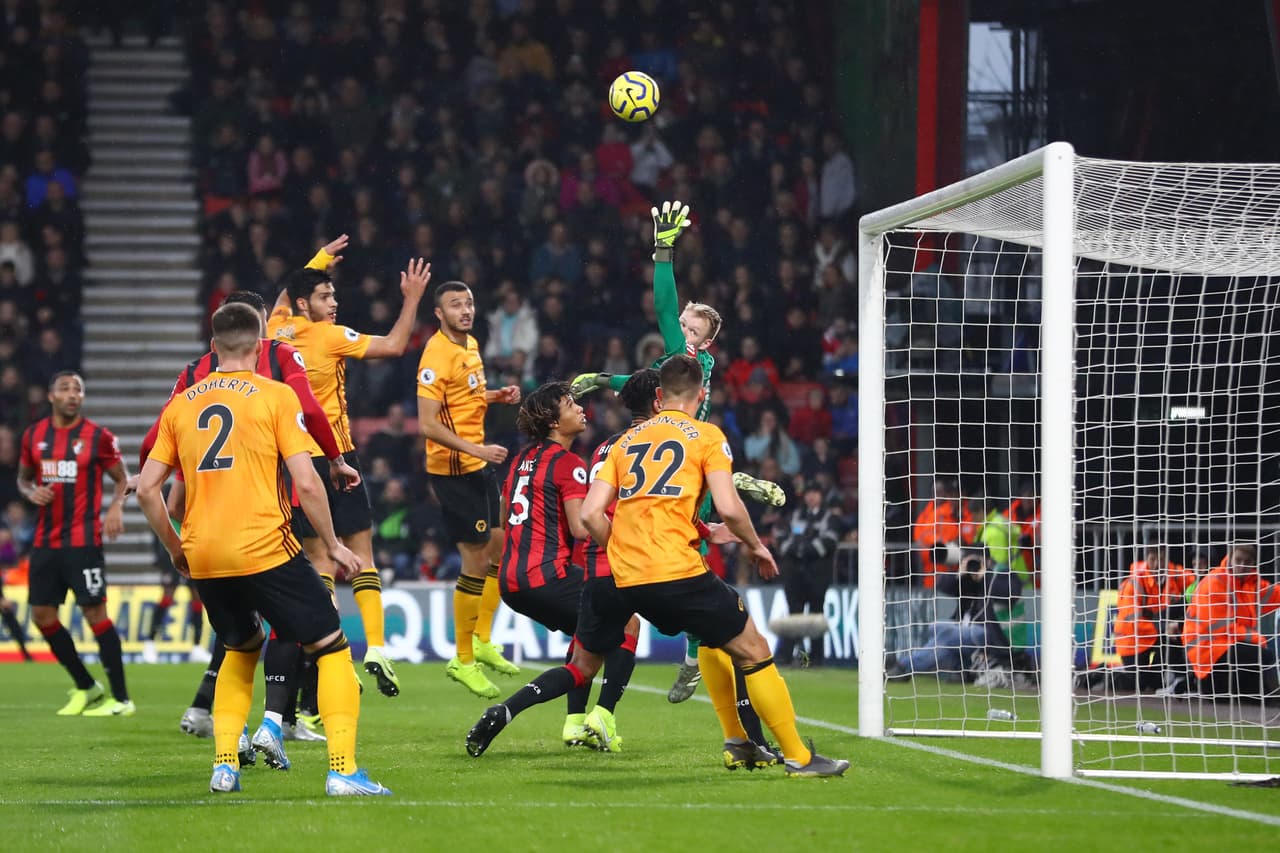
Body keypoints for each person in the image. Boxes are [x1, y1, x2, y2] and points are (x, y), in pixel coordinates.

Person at [134, 302, 388, 796]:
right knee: (331, 647)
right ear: (259, 344)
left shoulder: (182, 403)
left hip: (205, 554)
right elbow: (307, 483)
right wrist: (333, 545)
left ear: (213, 347)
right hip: (266, 547)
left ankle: (225, 765)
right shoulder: (273, 396)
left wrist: (174, 548)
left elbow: (147, 489)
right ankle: (343, 771)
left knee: (240, 646)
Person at [587, 356, 846, 776]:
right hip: (677, 571)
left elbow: (590, 515)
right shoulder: (706, 436)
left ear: (658, 397)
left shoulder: (623, 442)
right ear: (702, 394)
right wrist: (756, 545)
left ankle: (738, 742)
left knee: (711, 637)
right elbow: (730, 506)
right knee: (755, 650)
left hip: (629, 580)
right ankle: (800, 757)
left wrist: (624, 550)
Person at [570, 199, 785, 704]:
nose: (681, 328)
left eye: (691, 328)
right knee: (697, 551)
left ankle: (692, 654)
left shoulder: (686, 356)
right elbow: (645, 380)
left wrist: (663, 252)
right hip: (693, 456)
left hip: (682, 455)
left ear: (703, 340)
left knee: (689, 554)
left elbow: (663, 306)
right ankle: (695, 657)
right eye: (685, 325)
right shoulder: (688, 365)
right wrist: (609, 380)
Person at [267, 235, 430, 698]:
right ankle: (376, 647)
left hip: (292, 461)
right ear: (306, 303)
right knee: (362, 552)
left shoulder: (276, 331)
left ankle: (331, 652)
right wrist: (412, 298)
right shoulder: (330, 337)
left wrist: (316, 263)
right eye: (325, 295)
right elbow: (397, 344)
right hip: (336, 456)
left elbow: (282, 297)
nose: (334, 302)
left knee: (318, 559)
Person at [417, 279, 522, 698]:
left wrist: (495, 396)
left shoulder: (470, 345)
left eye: (470, 303)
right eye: (455, 305)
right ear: (439, 314)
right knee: (475, 560)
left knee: (499, 546)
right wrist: (476, 447)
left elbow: (464, 399)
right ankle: (462, 659)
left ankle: (481, 640)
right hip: (454, 469)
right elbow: (427, 423)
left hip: (478, 464)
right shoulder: (435, 356)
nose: (466, 310)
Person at [17, 371, 133, 715]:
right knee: (41, 615)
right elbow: (23, 479)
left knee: (95, 613)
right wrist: (30, 492)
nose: (72, 394)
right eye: (65, 389)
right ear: (51, 396)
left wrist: (115, 507)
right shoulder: (33, 436)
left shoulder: (97, 437)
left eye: (78, 389)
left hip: (83, 541)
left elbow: (122, 478)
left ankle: (122, 699)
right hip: (45, 542)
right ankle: (86, 686)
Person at [887, 547, 1023, 682]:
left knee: (940, 629)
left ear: (988, 562)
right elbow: (941, 584)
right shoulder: (966, 581)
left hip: (995, 640)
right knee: (942, 641)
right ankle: (905, 670)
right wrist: (960, 573)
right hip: (965, 639)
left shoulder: (1003, 575)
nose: (973, 566)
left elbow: (1010, 594)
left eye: (977, 562)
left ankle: (903, 667)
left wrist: (985, 575)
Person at [1183, 544, 1280, 700]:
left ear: (1253, 564)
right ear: (1230, 558)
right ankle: (1200, 686)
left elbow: (1274, 594)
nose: (1242, 565)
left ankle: (1259, 694)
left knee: (1258, 694)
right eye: (1238, 560)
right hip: (1206, 652)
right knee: (1264, 656)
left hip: (1225, 647)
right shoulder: (1216, 582)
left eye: (1247, 562)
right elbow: (1222, 628)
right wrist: (1256, 638)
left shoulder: (1249, 583)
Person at [773, 480, 842, 667]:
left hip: (817, 575)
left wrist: (802, 548)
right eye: (808, 492)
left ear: (821, 495)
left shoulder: (829, 517)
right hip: (794, 574)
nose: (811, 496)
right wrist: (801, 548)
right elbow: (781, 538)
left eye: (815, 492)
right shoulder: (794, 515)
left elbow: (829, 542)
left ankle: (815, 658)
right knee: (794, 615)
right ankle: (788, 656)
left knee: (815, 616)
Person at [1110, 546, 1194, 693]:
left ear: (1167, 561)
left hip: (1156, 635)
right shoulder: (1133, 584)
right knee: (1139, 684)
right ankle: (1099, 676)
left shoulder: (1176, 575)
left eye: (1161, 559)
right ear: (1146, 560)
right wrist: (1163, 627)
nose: (1157, 564)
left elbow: (1197, 581)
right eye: (1152, 559)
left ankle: (1181, 678)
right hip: (1132, 640)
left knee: (1175, 632)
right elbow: (1133, 622)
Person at [911, 478, 970, 588]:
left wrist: (962, 541)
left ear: (964, 494)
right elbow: (924, 538)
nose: (954, 498)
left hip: (964, 575)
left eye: (957, 494)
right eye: (951, 494)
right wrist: (946, 544)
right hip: (935, 574)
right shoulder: (936, 514)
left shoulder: (970, 512)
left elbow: (972, 538)